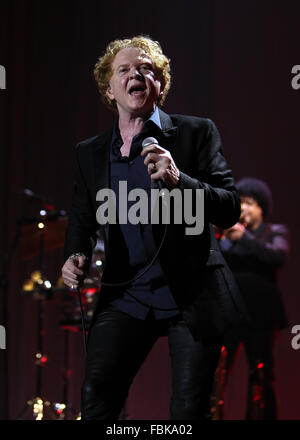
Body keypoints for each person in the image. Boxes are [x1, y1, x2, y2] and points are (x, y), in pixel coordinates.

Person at [61, 35, 245, 420]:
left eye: (146, 68)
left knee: (188, 410)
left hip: (192, 293)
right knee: (97, 396)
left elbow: (229, 208)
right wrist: (75, 254)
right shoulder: (90, 152)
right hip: (126, 293)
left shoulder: (196, 133)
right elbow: (81, 217)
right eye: (124, 70)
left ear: (160, 83)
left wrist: (180, 179)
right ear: (109, 89)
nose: (136, 75)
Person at [218, 177, 289, 419]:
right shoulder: (226, 236)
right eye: (240, 203)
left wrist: (245, 239)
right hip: (229, 314)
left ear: (262, 207)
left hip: (262, 315)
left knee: (261, 374)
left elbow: (278, 255)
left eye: (249, 203)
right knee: (218, 372)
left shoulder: (275, 232)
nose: (243, 208)